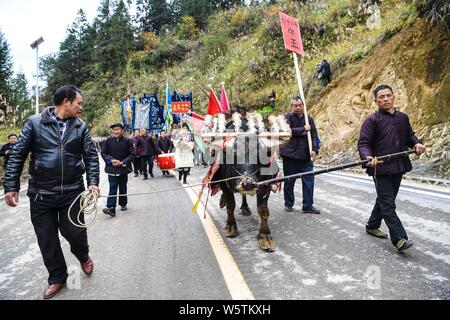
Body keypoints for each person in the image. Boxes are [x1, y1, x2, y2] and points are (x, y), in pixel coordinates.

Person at [3, 85, 100, 299]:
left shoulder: (80, 127)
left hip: (73, 193)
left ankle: (83, 256)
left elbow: (91, 158)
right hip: (40, 193)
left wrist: (93, 183)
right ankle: (57, 277)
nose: (81, 107)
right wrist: (10, 185)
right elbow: (18, 155)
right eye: (79, 103)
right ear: (66, 102)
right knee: (47, 239)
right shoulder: (34, 123)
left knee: (75, 233)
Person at [358, 84, 426, 252]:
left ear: (394, 97)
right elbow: (364, 143)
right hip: (380, 168)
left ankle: (372, 225)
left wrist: (417, 143)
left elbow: (409, 135)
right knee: (388, 204)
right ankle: (400, 238)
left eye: (388, 95)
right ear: (375, 101)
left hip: (399, 165)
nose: (386, 99)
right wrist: (367, 158)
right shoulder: (372, 120)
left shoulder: (402, 117)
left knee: (385, 199)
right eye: (381, 97)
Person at [280, 96, 320, 214]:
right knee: (289, 181)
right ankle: (288, 204)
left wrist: (315, 150)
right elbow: (287, 132)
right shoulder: (286, 118)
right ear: (291, 106)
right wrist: (303, 129)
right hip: (290, 156)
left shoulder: (309, 119)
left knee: (309, 181)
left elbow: (314, 135)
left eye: (300, 105)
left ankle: (307, 206)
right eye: (295, 106)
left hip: (305, 156)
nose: (298, 108)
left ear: (303, 106)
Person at [101, 123, 135, 217]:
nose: (115, 131)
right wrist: (110, 161)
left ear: (122, 131)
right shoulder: (108, 141)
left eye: (117, 130)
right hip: (111, 168)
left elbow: (132, 154)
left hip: (123, 168)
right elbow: (103, 153)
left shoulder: (127, 141)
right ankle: (111, 208)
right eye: (114, 130)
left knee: (123, 187)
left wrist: (123, 162)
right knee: (112, 187)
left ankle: (123, 203)